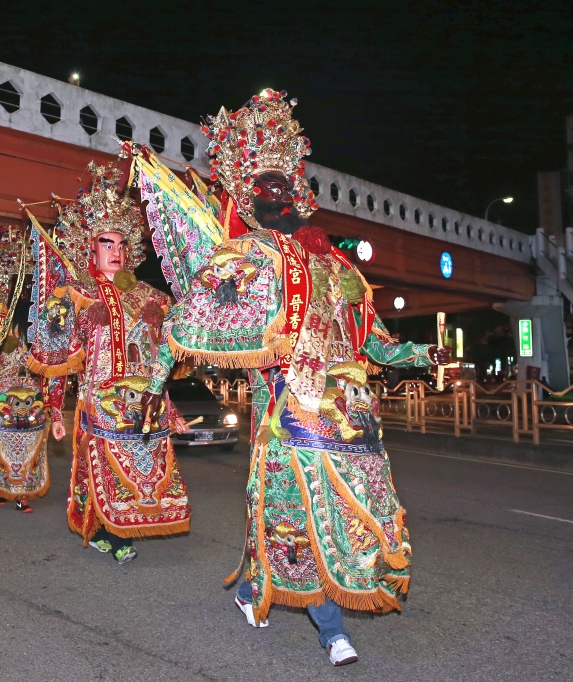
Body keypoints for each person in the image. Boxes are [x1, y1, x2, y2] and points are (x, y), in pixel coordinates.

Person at [135, 90, 450, 666]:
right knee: (296, 521)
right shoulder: (244, 256)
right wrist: (156, 383)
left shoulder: (338, 268)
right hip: (289, 419)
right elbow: (190, 319)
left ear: (302, 195)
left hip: (353, 421)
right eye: (265, 187)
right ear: (248, 199)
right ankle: (330, 629)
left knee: (361, 514)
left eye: (286, 185)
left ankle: (257, 588)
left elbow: (375, 341)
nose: (278, 196)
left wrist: (423, 355)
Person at [27, 162, 191, 564]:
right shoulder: (74, 293)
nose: (115, 253)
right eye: (106, 244)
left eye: (121, 245)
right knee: (101, 466)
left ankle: (123, 525)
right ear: (91, 247)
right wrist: (54, 408)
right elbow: (55, 355)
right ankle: (109, 532)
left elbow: (167, 355)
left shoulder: (148, 296)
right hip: (99, 404)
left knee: (144, 469)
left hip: (143, 404)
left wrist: (168, 404)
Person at [0, 227, 63, 512]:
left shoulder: (44, 321)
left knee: (30, 447)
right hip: (0, 398)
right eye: (17, 284)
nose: (23, 291)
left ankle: (22, 493)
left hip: (33, 397)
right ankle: (1, 487)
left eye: (30, 284)